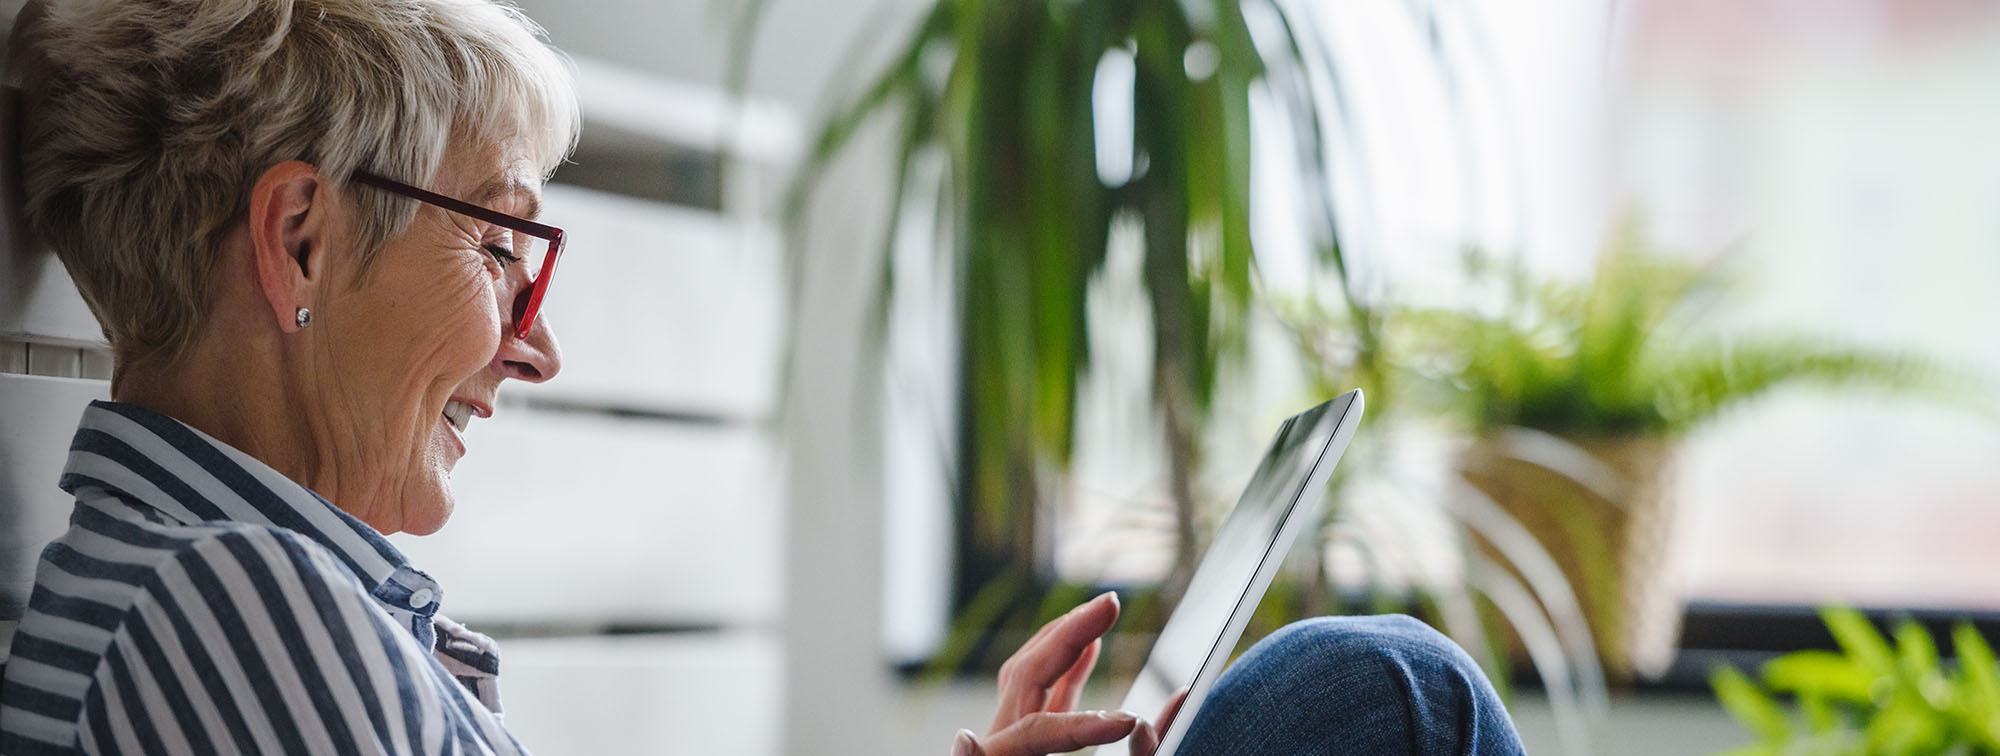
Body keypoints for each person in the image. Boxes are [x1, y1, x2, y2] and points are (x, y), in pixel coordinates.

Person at [0, 0, 1528, 754]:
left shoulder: (239, 589)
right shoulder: (240, 610)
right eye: (499, 250)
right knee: (1387, 692)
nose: (538, 340)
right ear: (301, 241)